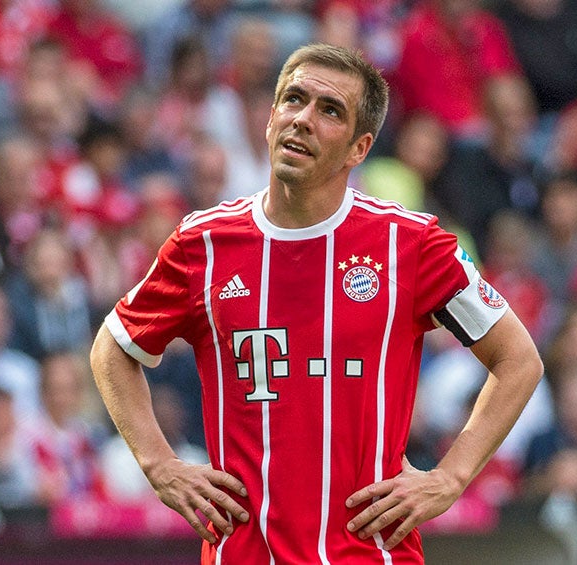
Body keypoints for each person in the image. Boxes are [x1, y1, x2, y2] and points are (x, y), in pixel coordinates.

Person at [89, 44, 543, 564]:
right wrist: (159, 465)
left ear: (358, 148)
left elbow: (518, 359)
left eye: (330, 111)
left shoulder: (411, 244)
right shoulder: (203, 244)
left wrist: (451, 477)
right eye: (293, 99)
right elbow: (113, 347)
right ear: (270, 119)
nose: (303, 119)